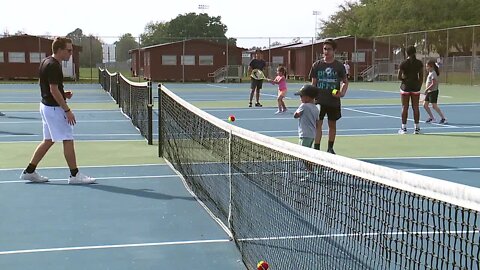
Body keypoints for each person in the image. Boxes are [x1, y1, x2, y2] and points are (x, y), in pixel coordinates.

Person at [20, 37, 95, 184]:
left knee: (48, 140)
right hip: (54, 109)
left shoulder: (46, 61)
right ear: (59, 50)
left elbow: (49, 86)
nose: (71, 53)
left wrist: (63, 93)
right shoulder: (54, 66)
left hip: (46, 106)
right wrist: (67, 110)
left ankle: (29, 171)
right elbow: (53, 89)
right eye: (69, 50)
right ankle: (75, 175)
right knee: (68, 139)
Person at [308, 39, 348, 154]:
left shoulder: (339, 66)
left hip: (333, 101)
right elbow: (313, 83)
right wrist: (311, 99)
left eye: (329, 49)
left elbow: (345, 82)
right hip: (319, 100)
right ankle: (316, 148)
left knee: (332, 125)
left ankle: (330, 148)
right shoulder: (317, 65)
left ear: (334, 50)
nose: (326, 51)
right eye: (325, 49)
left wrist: (341, 93)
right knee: (318, 125)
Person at [398, 45, 423, 134]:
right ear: (415, 52)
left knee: (405, 107)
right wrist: (419, 85)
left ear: (406, 53)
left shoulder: (403, 63)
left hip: (405, 87)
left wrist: (404, 80)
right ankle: (417, 128)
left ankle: (403, 128)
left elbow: (399, 76)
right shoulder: (419, 63)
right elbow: (421, 76)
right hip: (415, 87)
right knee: (415, 107)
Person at [423, 59, 447, 124]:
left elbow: (433, 83)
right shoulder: (430, 73)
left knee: (434, 106)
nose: (426, 68)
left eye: (427, 66)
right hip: (429, 92)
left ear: (431, 66)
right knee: (425, 105)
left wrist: (427, 89)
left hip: (433, 92)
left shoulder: (433, 73)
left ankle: (443, 118)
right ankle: (432, 118)